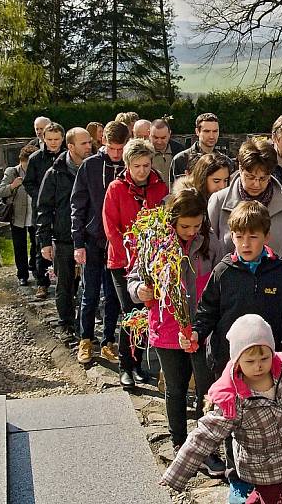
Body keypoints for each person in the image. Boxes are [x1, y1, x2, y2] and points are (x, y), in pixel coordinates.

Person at [162, 314, 282, 503]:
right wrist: (176, 474)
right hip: (260, 466)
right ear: (237, 360)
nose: (259, 366)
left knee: (270, 496)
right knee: (270, 497)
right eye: (250, 361)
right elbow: (203, 437)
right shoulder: (234, 398)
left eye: (265, 358)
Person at [185, 200, 282, 499]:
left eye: (252, 237)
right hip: (230, 366)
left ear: (266, 236)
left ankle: (271, 480)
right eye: (239, 237)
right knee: (231, 420)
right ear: (231, 237)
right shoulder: (224, 271)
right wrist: (198, 332)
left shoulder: (278, 272)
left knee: (266, 424)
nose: (245, 243)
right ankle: (236, 475)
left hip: (266, 366)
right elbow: (207, 309)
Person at [127, 187, 226, 475]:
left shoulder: (212, 244)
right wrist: (139, 290)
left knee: (206, 389)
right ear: (172, 221)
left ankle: (205, 447)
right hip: (168, 327)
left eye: (196, 226)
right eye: (185, 226)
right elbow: (135, 277)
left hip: (202, 329)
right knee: (176, 387)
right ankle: (179, 442)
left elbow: (222, 279)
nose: (191, 231)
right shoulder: (155, 243)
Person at [102, 138, 169, 388]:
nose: (142, 171)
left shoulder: (158, 185)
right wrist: (130, 256)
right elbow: (111, 227)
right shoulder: (116, 188)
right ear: (128, 164)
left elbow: (164, 220)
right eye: (137, 166)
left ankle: (138, 363)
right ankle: (125, 365)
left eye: (146, 165)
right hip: (123, 261)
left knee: (145, 311)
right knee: (130, 311)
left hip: (151, 261)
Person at [71, 121, 129, 365]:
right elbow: (78, 205)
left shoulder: (130, 166)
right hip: (93, 239)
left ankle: (108, 341)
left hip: (119, 241)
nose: (116, 154)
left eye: (120, 149)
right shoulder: (90, 166)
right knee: (90, 293)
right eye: (112, 148)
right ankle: (85, 340)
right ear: (103, 141)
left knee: (114, 296)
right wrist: (78, 242)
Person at [209, 138, 282, 267]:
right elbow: (209, 250)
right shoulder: (219, 201)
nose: (256, 184)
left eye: (263, 178)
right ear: (240, 169)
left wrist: (278, 274)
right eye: (250, 177)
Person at [36, 128, 93, 336]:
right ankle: (66, 323)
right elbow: (44, 208)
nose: (89, 146)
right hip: (64, 237)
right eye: (84, 143)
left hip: (89, 236)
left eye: (89, 142)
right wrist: (44, 241)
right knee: (65, 284)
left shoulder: (93, 169)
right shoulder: (55, 173)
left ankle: (86, 326)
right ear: (71, 146)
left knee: (89, 286)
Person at [25, 121, 67, 300]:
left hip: (64, 207)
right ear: (43, 138)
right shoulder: (35, 158)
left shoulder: (68, 156)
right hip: (43, 209)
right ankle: (42, 282)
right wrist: (42, 196)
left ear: (62, 139)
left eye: (57, 139)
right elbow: (29, 182)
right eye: (50, 139)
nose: (53, 143)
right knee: (41, 245)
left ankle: (68, 283)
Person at [0, 144, 39, 286]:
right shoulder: (12, 172)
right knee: (19, 246)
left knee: (37, 244)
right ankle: (22, 274)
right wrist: (12, 186)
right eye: (25, 165)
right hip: (17, 215)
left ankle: (34, 267)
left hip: (35, 215)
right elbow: (0, 191)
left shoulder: (39, 171)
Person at [170, 112, 222, 184]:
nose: (212, 136)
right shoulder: (181, 159)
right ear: (197, 132)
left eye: (215, 131)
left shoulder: (224, 161)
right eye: (207, 131)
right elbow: (175, 192)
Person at [149, 118, 185, 186]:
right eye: (155, 138)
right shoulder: (143, 152)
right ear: (149, 134)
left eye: (163, 138)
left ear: (169, 134)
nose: (159, 142)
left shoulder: (179, 150)